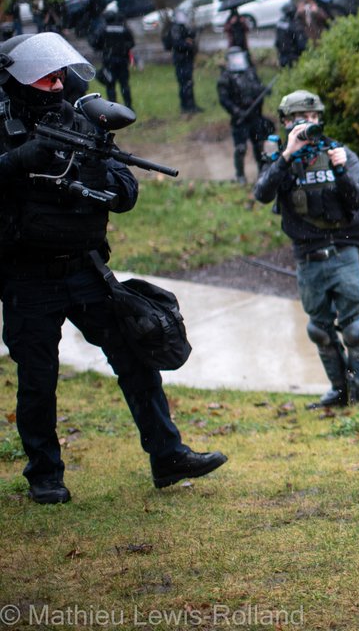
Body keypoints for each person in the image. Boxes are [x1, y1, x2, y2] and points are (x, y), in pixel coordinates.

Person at [0, 33, 228, 503]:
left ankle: (168, 456)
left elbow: (125, 185)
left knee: (135, 357)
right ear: (19, 81)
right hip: (27, 275)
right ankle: (45, 475)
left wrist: (106, 180)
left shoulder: (78, 120)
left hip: (86, 268)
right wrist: (18, 162)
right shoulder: (5, 127)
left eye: (60, 75)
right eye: (45, 77)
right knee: (38, 382)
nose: (56, 83)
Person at [253, 90, 359, 410]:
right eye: (298, 118)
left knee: (357, 326)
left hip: (342, 252)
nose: (306, 123)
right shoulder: (280, 160)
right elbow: (262, 194)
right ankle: (339, 390)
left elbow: (357, 201)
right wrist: (286, 156)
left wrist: (339, 170)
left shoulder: (341, 154)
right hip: (307, 257)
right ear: (285, 121)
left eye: (312, 118)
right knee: (320, 329)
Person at [217, 47, 267, 184]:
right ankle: (240, 175)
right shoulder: (225, 77)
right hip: (240, 118)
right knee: (240, 148)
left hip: (255, 116)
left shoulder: (250, 72)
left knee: (259, 145)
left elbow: (258, 87)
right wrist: (237, 111)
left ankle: (262, 173)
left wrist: (264, 90)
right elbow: (224, 99)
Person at [162, 8, 201, 114]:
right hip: (181, 59)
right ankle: (186, 106)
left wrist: (194, 33)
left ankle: (191, 105)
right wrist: (188, 44)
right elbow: (177, 44)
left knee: (188, 82)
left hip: (186, 58)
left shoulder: (181, 27)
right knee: (184, 83)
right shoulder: (175, 28)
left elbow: (189, 35)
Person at [98, 10, 135, 108]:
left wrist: (107, 49)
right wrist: (122, 48)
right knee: (124, 85)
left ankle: (113, 107)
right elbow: (131, 43)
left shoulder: (103, 30)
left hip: (109, 62)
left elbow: (96, 43)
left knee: (110, 85)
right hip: (122, 61)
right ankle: (128, 106)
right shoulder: (123, 29)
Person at [275, 2, 306, 68]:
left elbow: (277, 42)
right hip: (293, 56)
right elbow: (301, 44)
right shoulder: (293, 26)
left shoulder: (280, 24)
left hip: (283, 56)